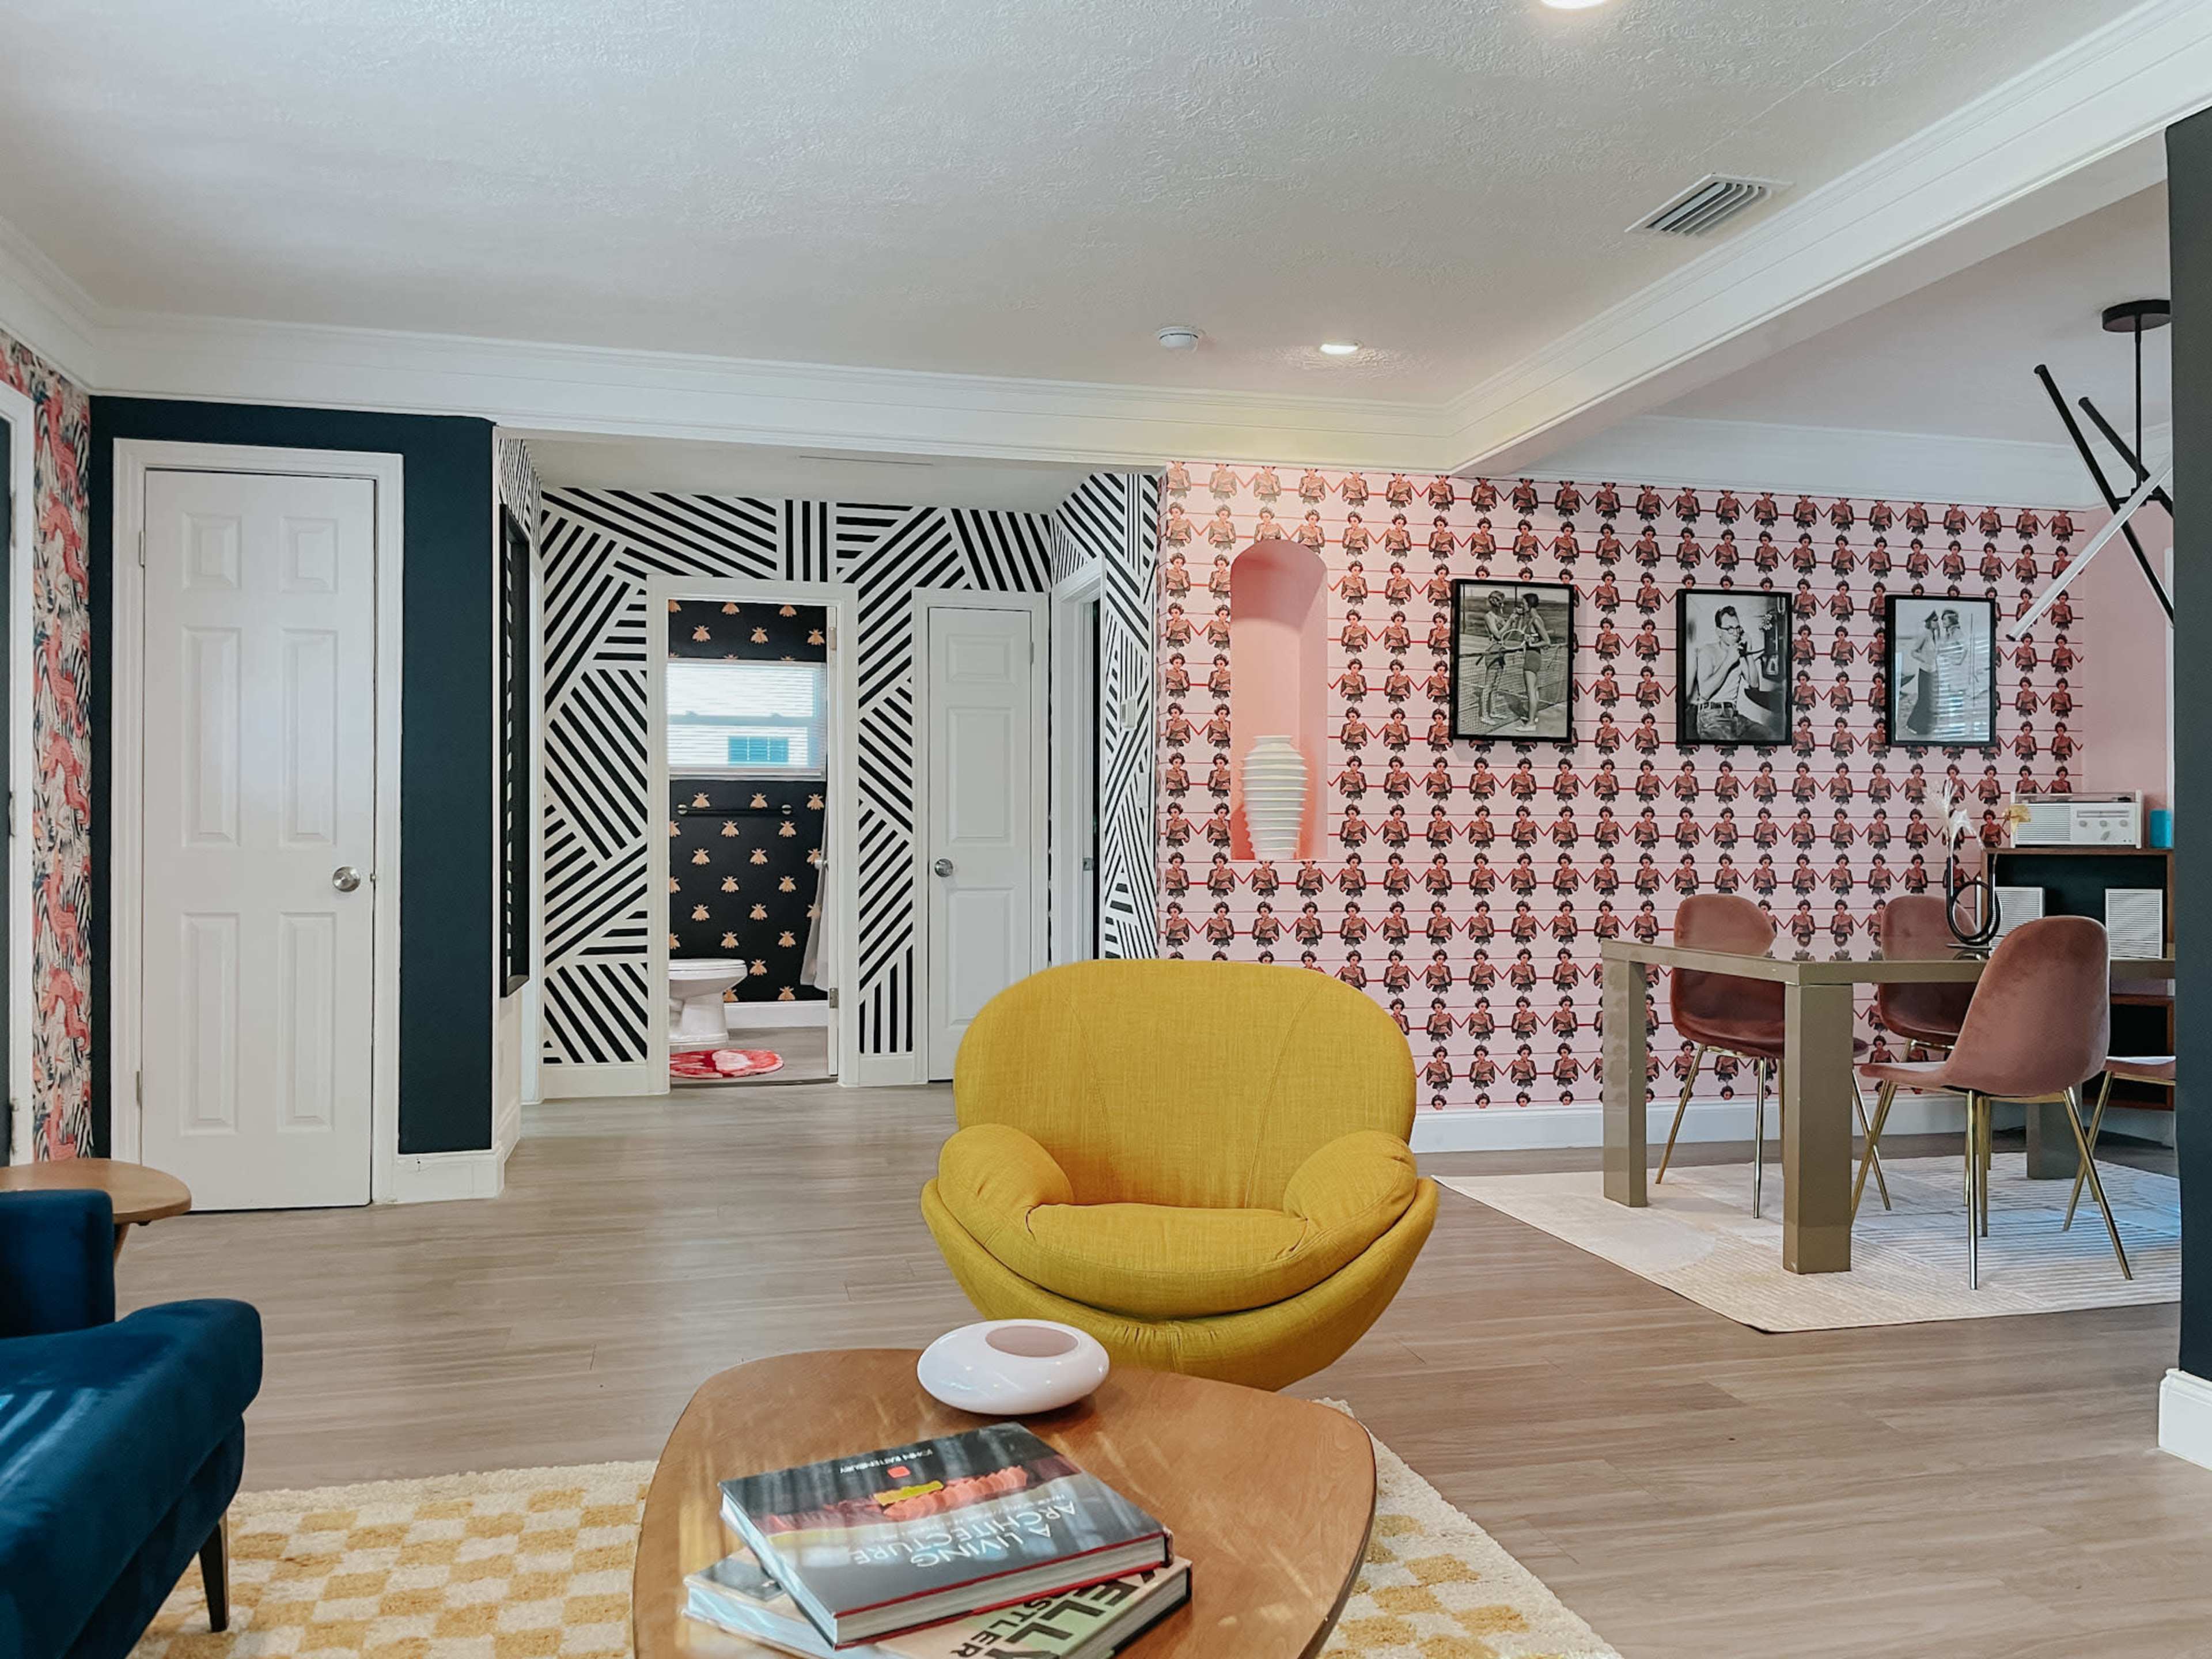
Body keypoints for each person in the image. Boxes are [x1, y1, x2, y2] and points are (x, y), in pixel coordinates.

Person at [1684, 604, 1775, 741]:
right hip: (1712, 717)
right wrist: (1729, 661)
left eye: (1737, 628)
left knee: (1770, 736)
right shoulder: (1707, 652)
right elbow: (1705, 692)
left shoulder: (1738, 653)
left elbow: (1754, 685)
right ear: (1719, 632)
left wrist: (1748, 652)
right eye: (1729, 629)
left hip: (1734, 717)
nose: (1735, 633)